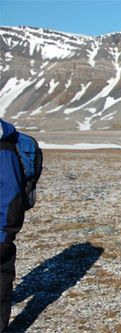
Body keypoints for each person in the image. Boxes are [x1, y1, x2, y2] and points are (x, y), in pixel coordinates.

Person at [0, 119, 27, 332]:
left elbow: (13, 196)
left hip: (0, 234)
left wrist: (4, 235)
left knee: (1, 285)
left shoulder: (4, 151)